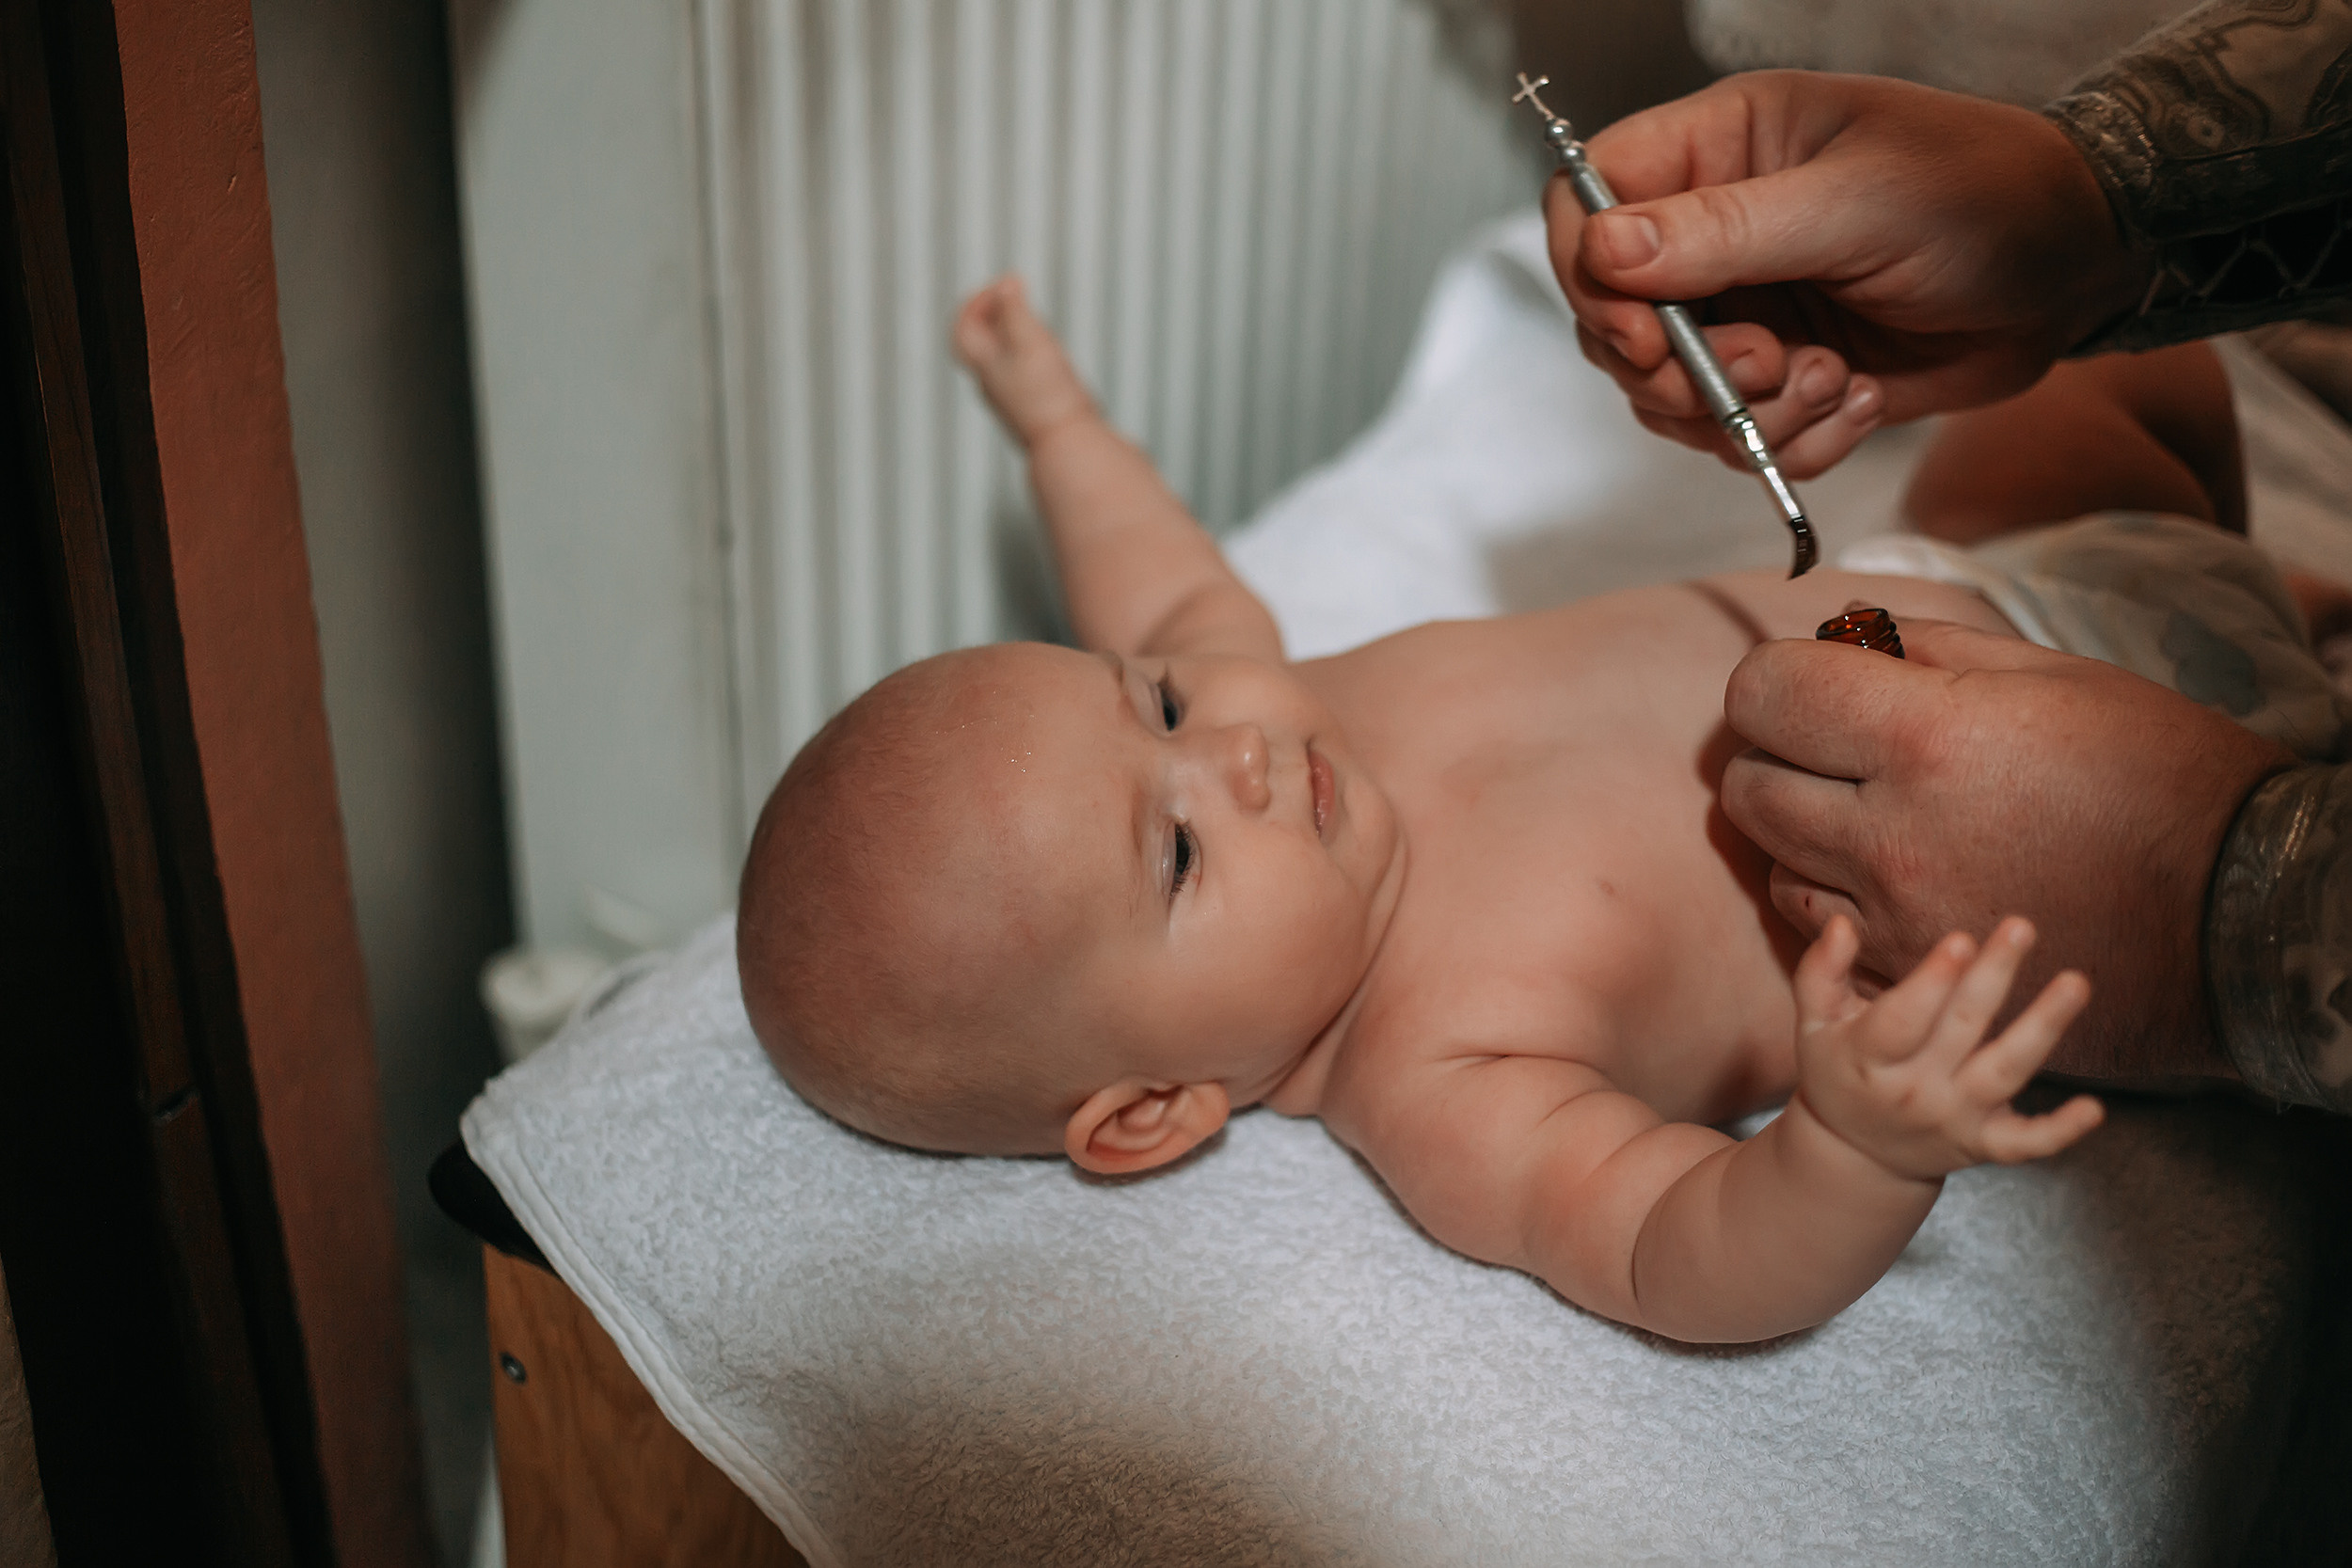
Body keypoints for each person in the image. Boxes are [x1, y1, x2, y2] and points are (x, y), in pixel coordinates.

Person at [735, 275, 2336, 1343]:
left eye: (1151, 708)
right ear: (1154, 1106)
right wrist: (1853, 1145)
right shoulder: (1437, 1076)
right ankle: (2285, 647)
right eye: (1171, 855)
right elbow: (1670, 1250)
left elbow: (1156, 583)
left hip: (1971, 583)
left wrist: (1055, 422)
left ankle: (2263, 583)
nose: (1218, 752)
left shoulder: (1279, 716)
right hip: (2099, 852)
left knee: (2114, 361)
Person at [1546, 2, 2352, 1105]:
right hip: (2034, 640)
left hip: (2054, 690)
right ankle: (2285, 624)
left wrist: (2223, 909)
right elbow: (1665, 1247)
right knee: (2104, 390)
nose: (1234, 758)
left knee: (2111, 394)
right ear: (1208, 1098)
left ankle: (2278, 628)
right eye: (1204, 855)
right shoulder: (1424, 1050)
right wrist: (2080, 205)